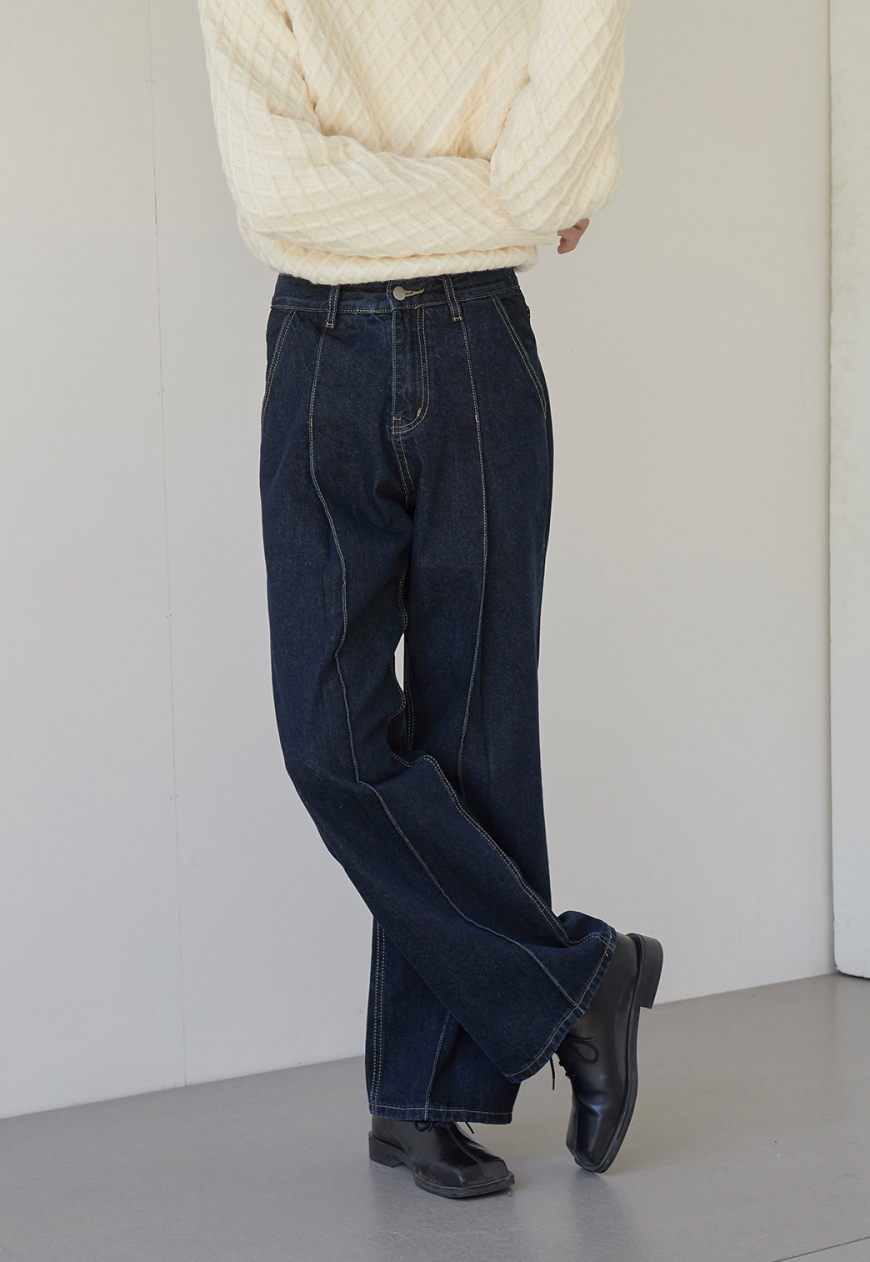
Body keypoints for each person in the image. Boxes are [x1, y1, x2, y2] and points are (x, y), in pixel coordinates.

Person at [198, 0, 662, 1199]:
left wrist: (458, 197)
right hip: (320, 346)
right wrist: (503, 200)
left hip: (476, 345)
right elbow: (279, 189)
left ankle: (423, 1099)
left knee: (478, 730)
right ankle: (575, 980)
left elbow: (549, 178)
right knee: (330, 736)